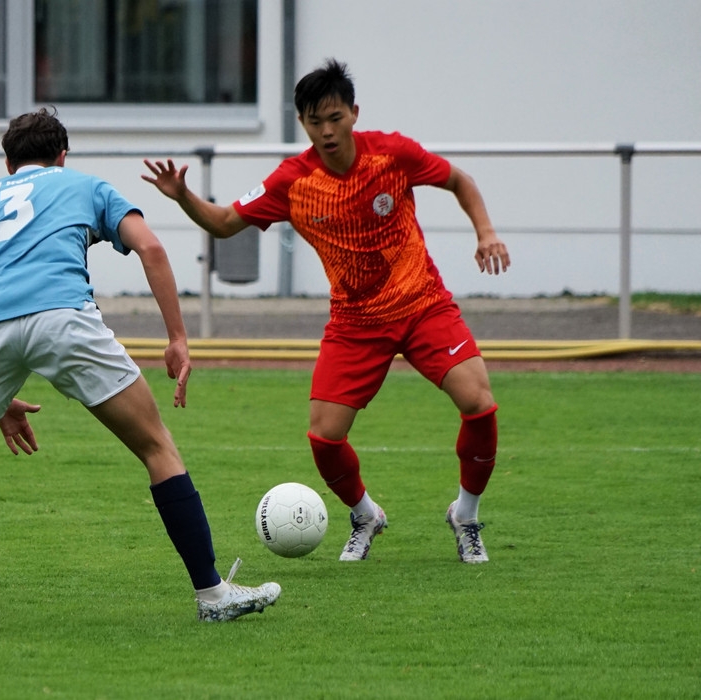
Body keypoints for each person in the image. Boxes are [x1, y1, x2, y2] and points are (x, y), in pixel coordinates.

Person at [0, 108, 280, 624]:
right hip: (61, 317)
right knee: (157, 447)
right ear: (62, 157)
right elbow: (151, 248)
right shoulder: (85, 185)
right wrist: (178, 338)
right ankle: (212, 595)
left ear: (8, 163)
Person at [143, 59, 510, 564]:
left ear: (354, 113)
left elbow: (460, 181)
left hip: (423, 305)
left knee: (479, 404)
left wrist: (486, 233)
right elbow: (225, 222)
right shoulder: (293, 180)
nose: (327, 131)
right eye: (315, 122)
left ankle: (465, 515)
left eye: (335, 118)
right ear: (302, 123)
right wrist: (183, 195)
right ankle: (365, 515)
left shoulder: (392, 153)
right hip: (355, 324)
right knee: (324, 437)